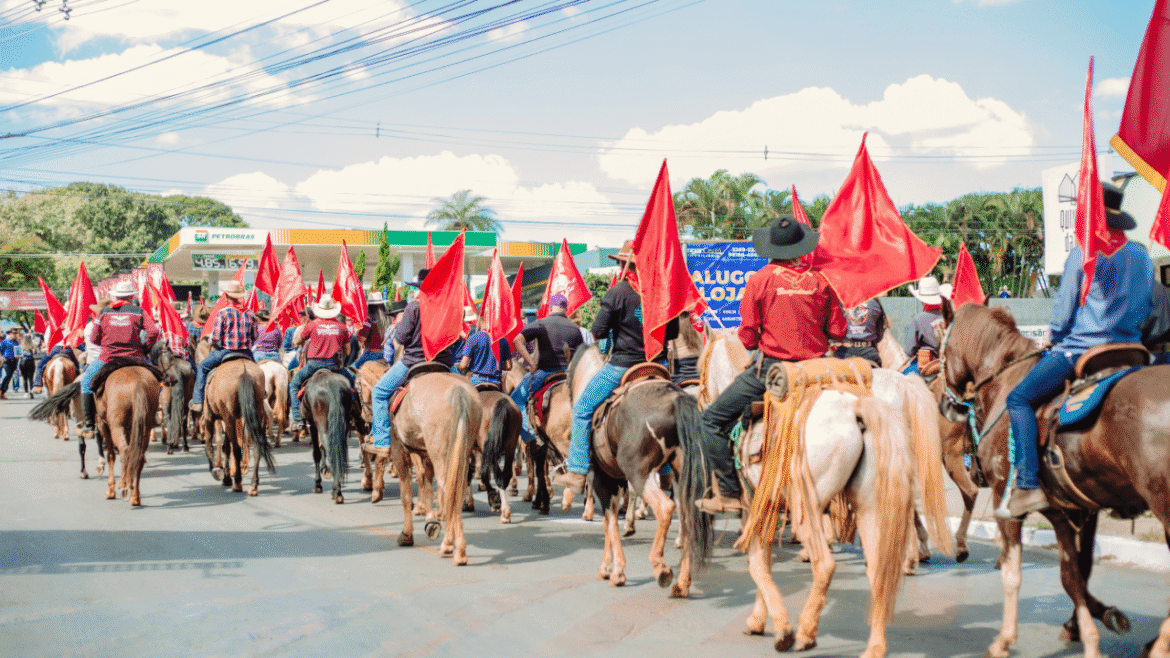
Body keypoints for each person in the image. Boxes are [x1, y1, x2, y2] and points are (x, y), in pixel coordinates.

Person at [1000, 183, 1153, 519]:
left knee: (1019, 400)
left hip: (1084, 349)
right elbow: (1149, 306)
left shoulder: (1084, 251)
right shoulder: (1142, 255)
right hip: (1132, 352)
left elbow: (1065, 306)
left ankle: (1026, 485)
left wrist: (1054, 337)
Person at [694, 216, 847, 513]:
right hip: (816, 373)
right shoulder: (821, 281)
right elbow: (839, 331)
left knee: (709, 420)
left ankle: (728, 493)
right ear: (801, 248)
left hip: (772, 373)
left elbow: (748, 338)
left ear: (771, 248)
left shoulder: (761, 279)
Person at [553, 241, 678, 494]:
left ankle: (577, 472)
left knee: (582, 409)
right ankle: (665, 473)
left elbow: (598, 331)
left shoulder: (618, 292)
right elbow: (673, 332)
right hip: (659, 366)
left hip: (624, 365)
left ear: (625, 264)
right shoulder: (660, 293)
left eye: (620, 262)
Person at [365, 268, 457, 456]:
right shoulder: (446, 307)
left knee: (379, 392)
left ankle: (382, 440)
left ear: (420, 288)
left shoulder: (414, 307)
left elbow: (401, 338)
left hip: (414, 361)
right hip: (445, 362)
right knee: (472, 392)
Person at [79, 282, 160, 437]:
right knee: (159, 382)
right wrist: (145, 348)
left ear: (115, 296)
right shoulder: (140, 312)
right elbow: (153, 331)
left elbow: (94, 337)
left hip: (108, 358)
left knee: (86, 383)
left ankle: (89, 425)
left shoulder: (103, 313)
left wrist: (107, 344)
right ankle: (155, 414)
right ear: (131, 296)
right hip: (135, 358)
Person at [510, 293, 584, 444]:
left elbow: (517, 340)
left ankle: (532, 440)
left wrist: (531, 364)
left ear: (550, 307)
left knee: (515, 401)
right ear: (566, 308)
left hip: (545, 373)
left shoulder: (541, 323)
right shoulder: (576, 329)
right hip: (569, 375)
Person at [189, 281, 258, 415]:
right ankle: (263, 391)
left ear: (226, 295)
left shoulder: (222, 313)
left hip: (226, 351)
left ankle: (197, 401)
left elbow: (215, 338)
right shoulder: (251, 314)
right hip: (246, 352)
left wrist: (211, 339)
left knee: (202, 367)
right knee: (257, 371)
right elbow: (254, 336)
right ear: (239, 296)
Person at [288, 297, 352, 428]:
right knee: (353, 384)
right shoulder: (342, 327)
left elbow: (298, 341)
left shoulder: (312, 325)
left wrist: (297, 342)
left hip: (313, 366)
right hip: (335, 366)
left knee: (294, 385)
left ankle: (298, 419)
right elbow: (347, 352)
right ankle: (352, 415)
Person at [904, 276, 951, 374]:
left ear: (922, 300)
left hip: (927, 365)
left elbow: (909, 351)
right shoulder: (949, 315)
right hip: (949, 363)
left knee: (903, 377)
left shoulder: (918, 319)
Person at [457, 313, 512, 387]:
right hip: (496, 382)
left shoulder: (473, 338)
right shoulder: (502, 339)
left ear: (479, 321)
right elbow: (508, 366)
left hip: (476, 380)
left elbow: (463, 365)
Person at [833, 297, 886, 367]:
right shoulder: (875, 302)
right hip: (869, 354)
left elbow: (834, 331)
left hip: (844, 353)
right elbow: (879, 336)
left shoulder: (840, 302)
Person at [352, 302, 387, 370]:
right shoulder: (388, 318)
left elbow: (362, 338)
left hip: (372, 354)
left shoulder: (368, 319)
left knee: (350, 370)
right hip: (386, 354)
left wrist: (356, 334)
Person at [0, 327, 19, 399]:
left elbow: (18, 352)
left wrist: (18, 356)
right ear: (10, 334)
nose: (14, 335)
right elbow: (1, 349)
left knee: (10, 377)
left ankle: (3, 392)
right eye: (13, 333)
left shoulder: (16, 342)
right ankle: (0, 389)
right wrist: (1, 356)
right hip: (6, 360)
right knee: (7, 375)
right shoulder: (5, 341)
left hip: (14, 361)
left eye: (15, 333)